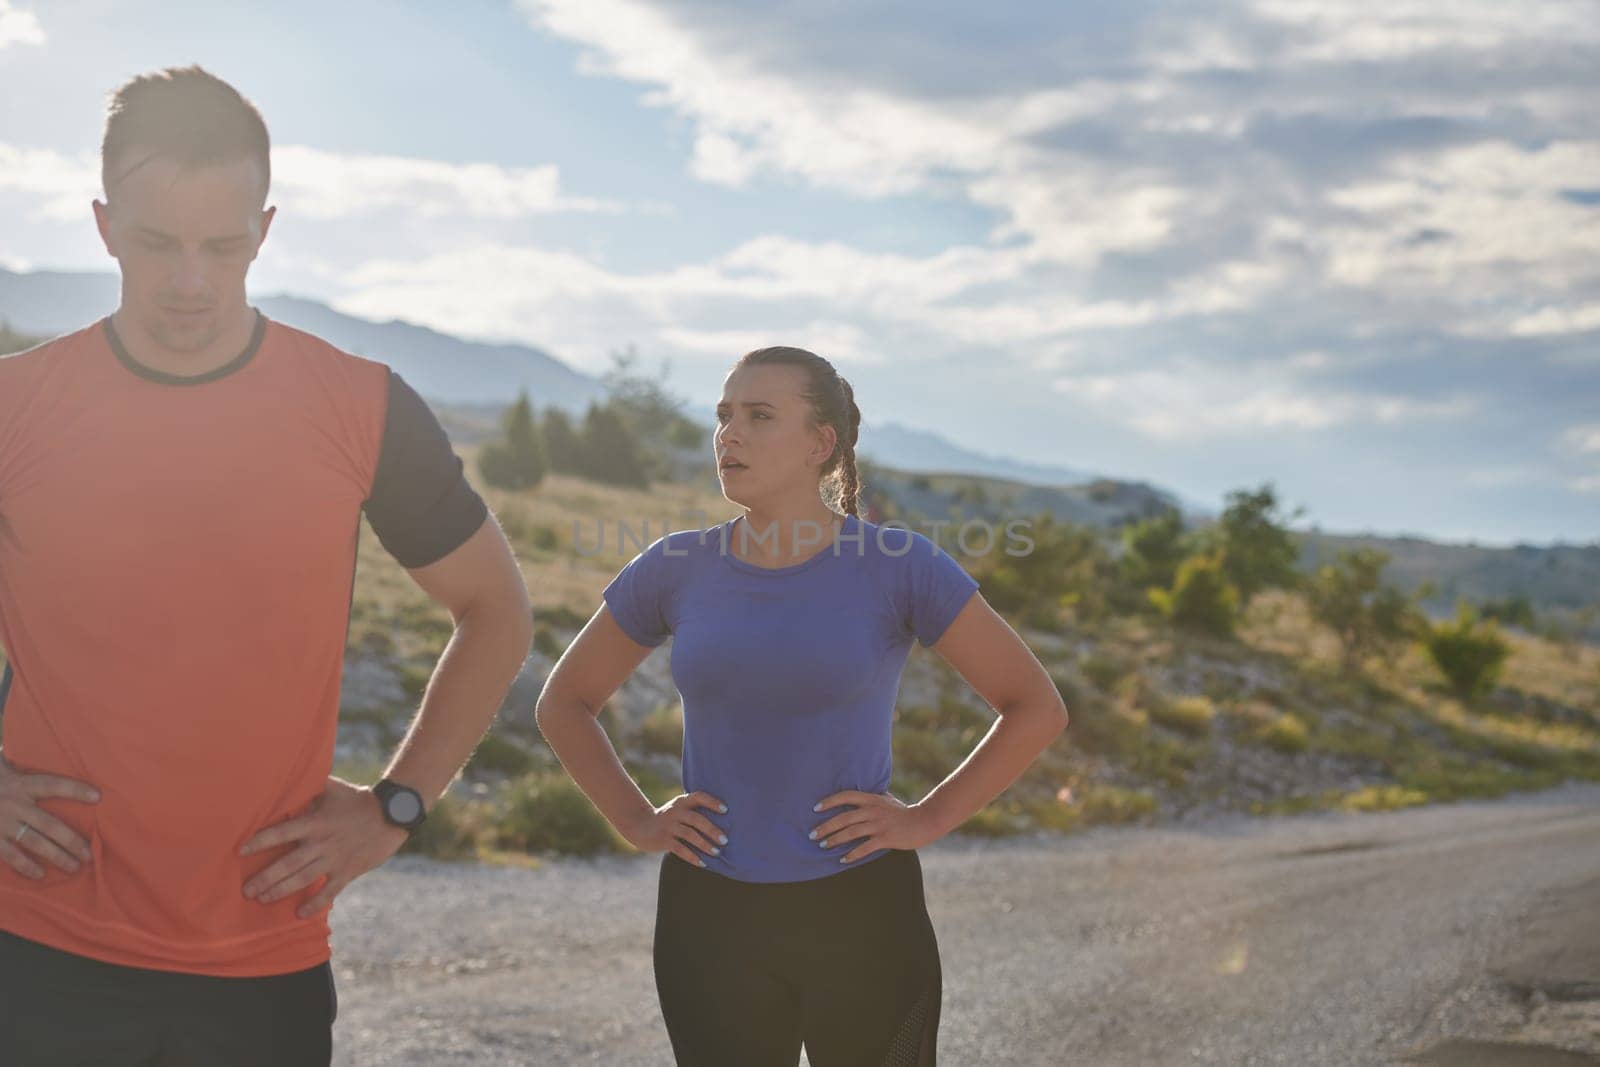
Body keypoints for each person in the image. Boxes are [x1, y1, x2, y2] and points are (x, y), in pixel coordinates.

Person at [0, 66, 534, 1065]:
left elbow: (494, 610)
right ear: (105, 225)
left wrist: (395, 805)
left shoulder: (360, 407)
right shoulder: (15, 408)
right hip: (34, 946)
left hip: (262, 951)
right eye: (158, 243)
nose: (191, 280)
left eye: (224, 245)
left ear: (267, 227)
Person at [536, 346, 1071, 1065]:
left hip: (862, 911)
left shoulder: (898, 564)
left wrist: (927, 817)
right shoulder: (674, 566)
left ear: (822, 444)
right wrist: (636, 819)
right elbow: (564, 701)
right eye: (724, 415)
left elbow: (1035, 705)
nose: (729, 433)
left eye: (760, 416)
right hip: (710, 916)